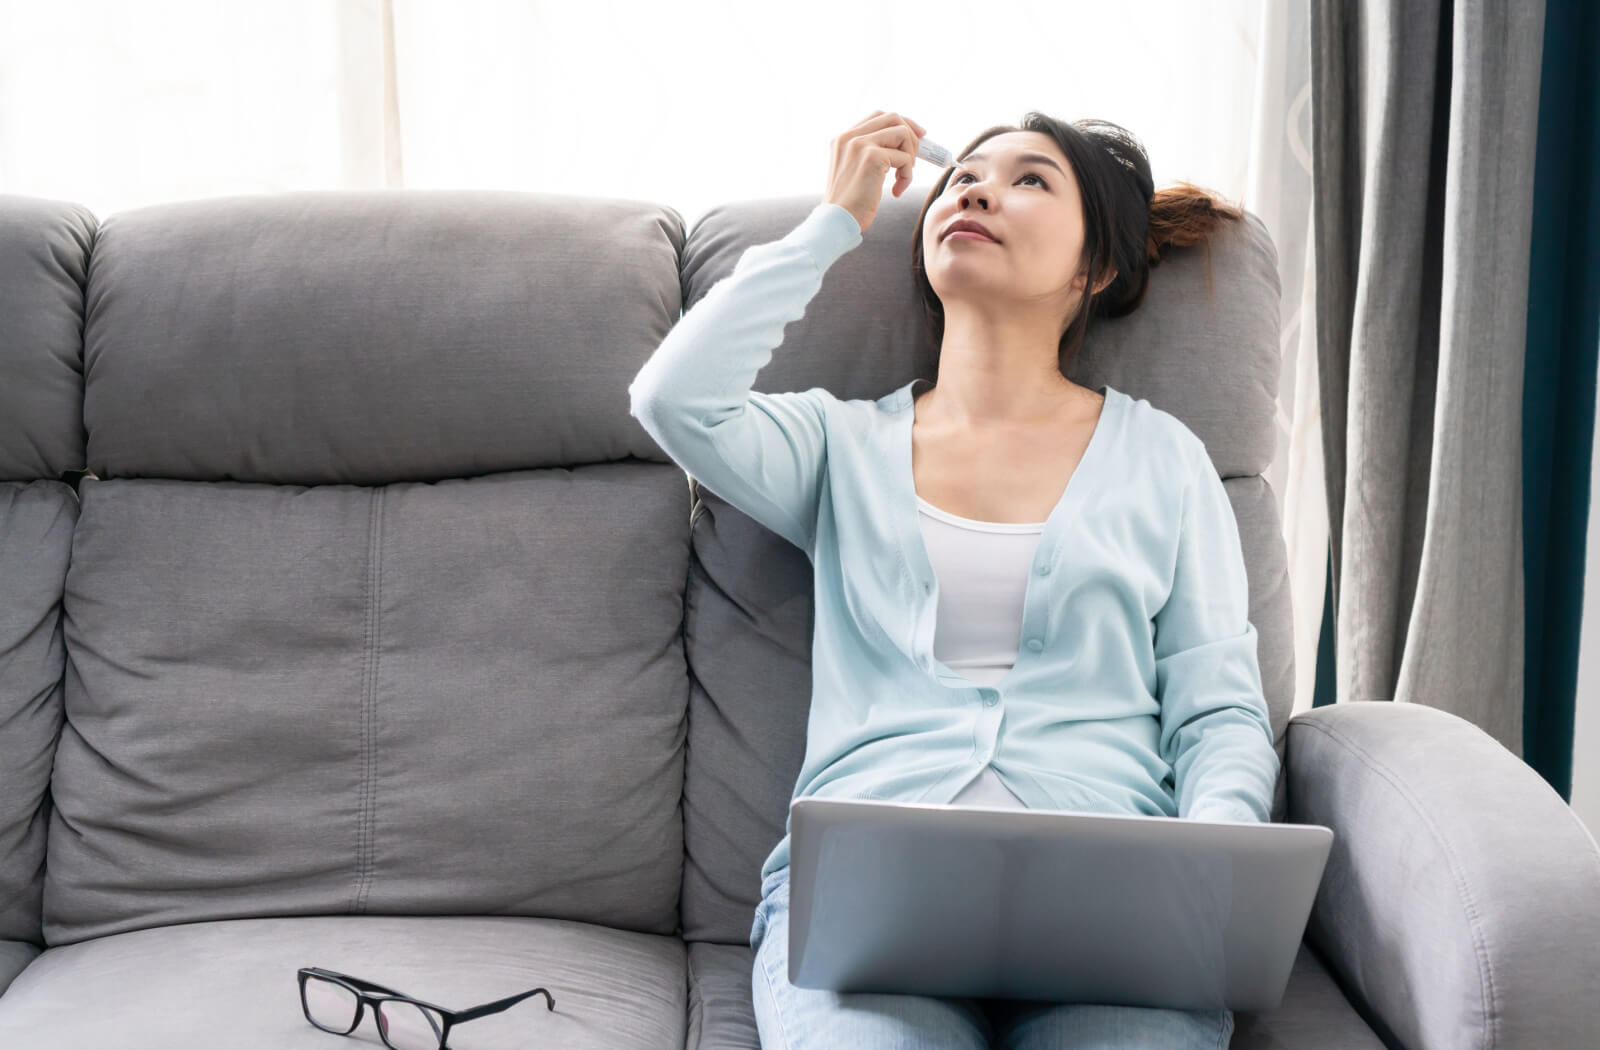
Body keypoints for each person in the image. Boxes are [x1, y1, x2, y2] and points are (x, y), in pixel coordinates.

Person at [628, 108, 1276, 1049]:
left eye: (1030, 180)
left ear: (1095, 268)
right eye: (963, 175)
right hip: (868, 925)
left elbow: (1219, 715)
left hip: (1116, 919)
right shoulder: (837, 446)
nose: (974, 188)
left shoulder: (1166, 461)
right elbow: (672, 399)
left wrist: (1210, 870)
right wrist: (835, 223)